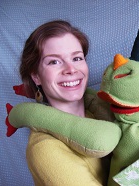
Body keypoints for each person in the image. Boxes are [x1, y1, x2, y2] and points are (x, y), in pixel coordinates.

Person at [20, 20, 111, 186]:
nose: (71, 69)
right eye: (54, 61)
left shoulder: (100, 114)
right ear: (36, 76)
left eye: (77, 58)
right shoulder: (44, 149)